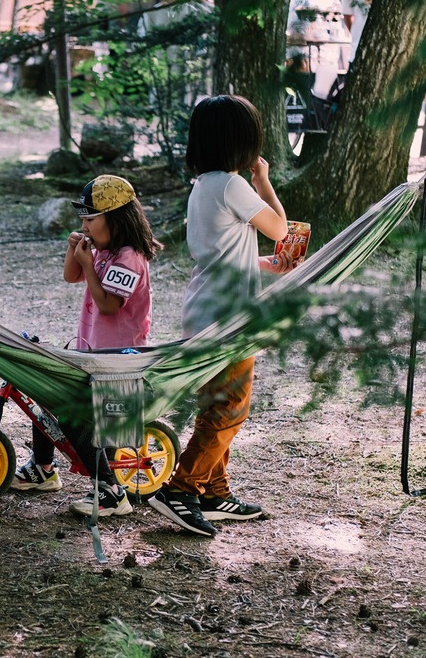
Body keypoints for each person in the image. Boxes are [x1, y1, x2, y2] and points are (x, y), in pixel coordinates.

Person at [148, 95, 295, 537]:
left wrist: (264, 265)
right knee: (230, 409)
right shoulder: (234, 185)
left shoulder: (203, 186)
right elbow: (281, 229)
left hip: (207, 308)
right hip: (229, 319)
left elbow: (222, 252)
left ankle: (214, 493)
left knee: (216, 406)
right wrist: (264, 180)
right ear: (241, 142)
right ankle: (181, 489)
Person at [11, 174, 163, 517]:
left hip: (118, 360)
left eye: (90, 219)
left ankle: (112, 492)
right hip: (92, 354)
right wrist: (74, 252)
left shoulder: (129, 258)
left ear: (117, 218)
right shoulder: (104, 251)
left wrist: (87, 264)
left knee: (74, 417)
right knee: (49, 395)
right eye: (83, 219)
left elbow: (109, 304)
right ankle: (43, 468)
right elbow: (71, 276)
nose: (84, 225)